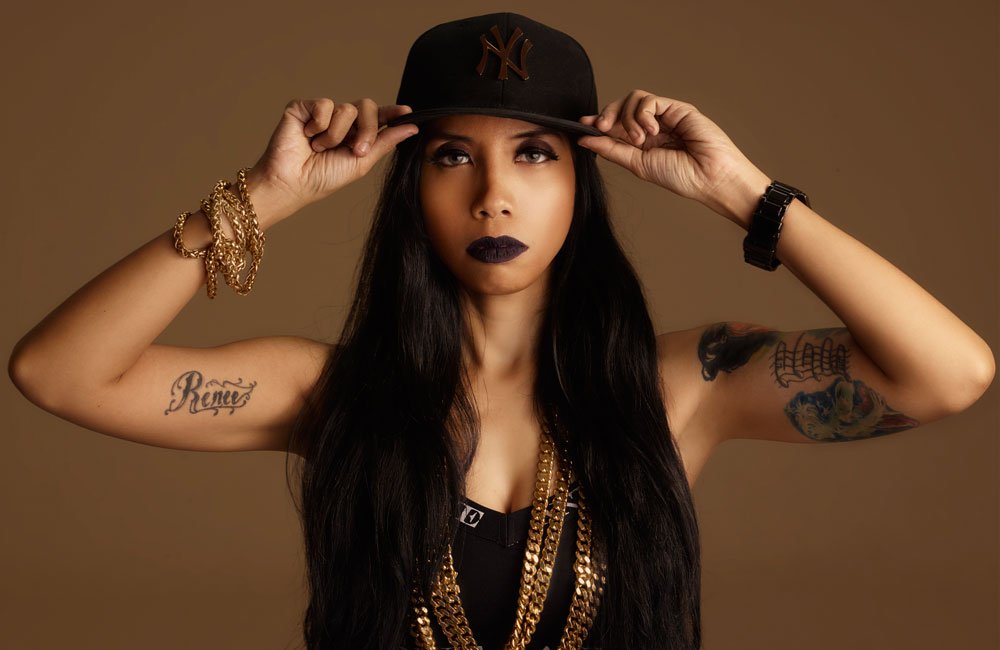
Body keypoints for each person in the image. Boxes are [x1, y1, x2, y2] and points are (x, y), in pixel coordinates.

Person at [7, 11, 995, 650]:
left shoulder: (682, 386)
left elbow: (949, 373)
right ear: (410, 185)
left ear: (580, 183)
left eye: (532, 154)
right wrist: (260, 198)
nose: (493, 195)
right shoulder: (332, 393)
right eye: (451, 156)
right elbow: (58, 372)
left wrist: (745, 194)